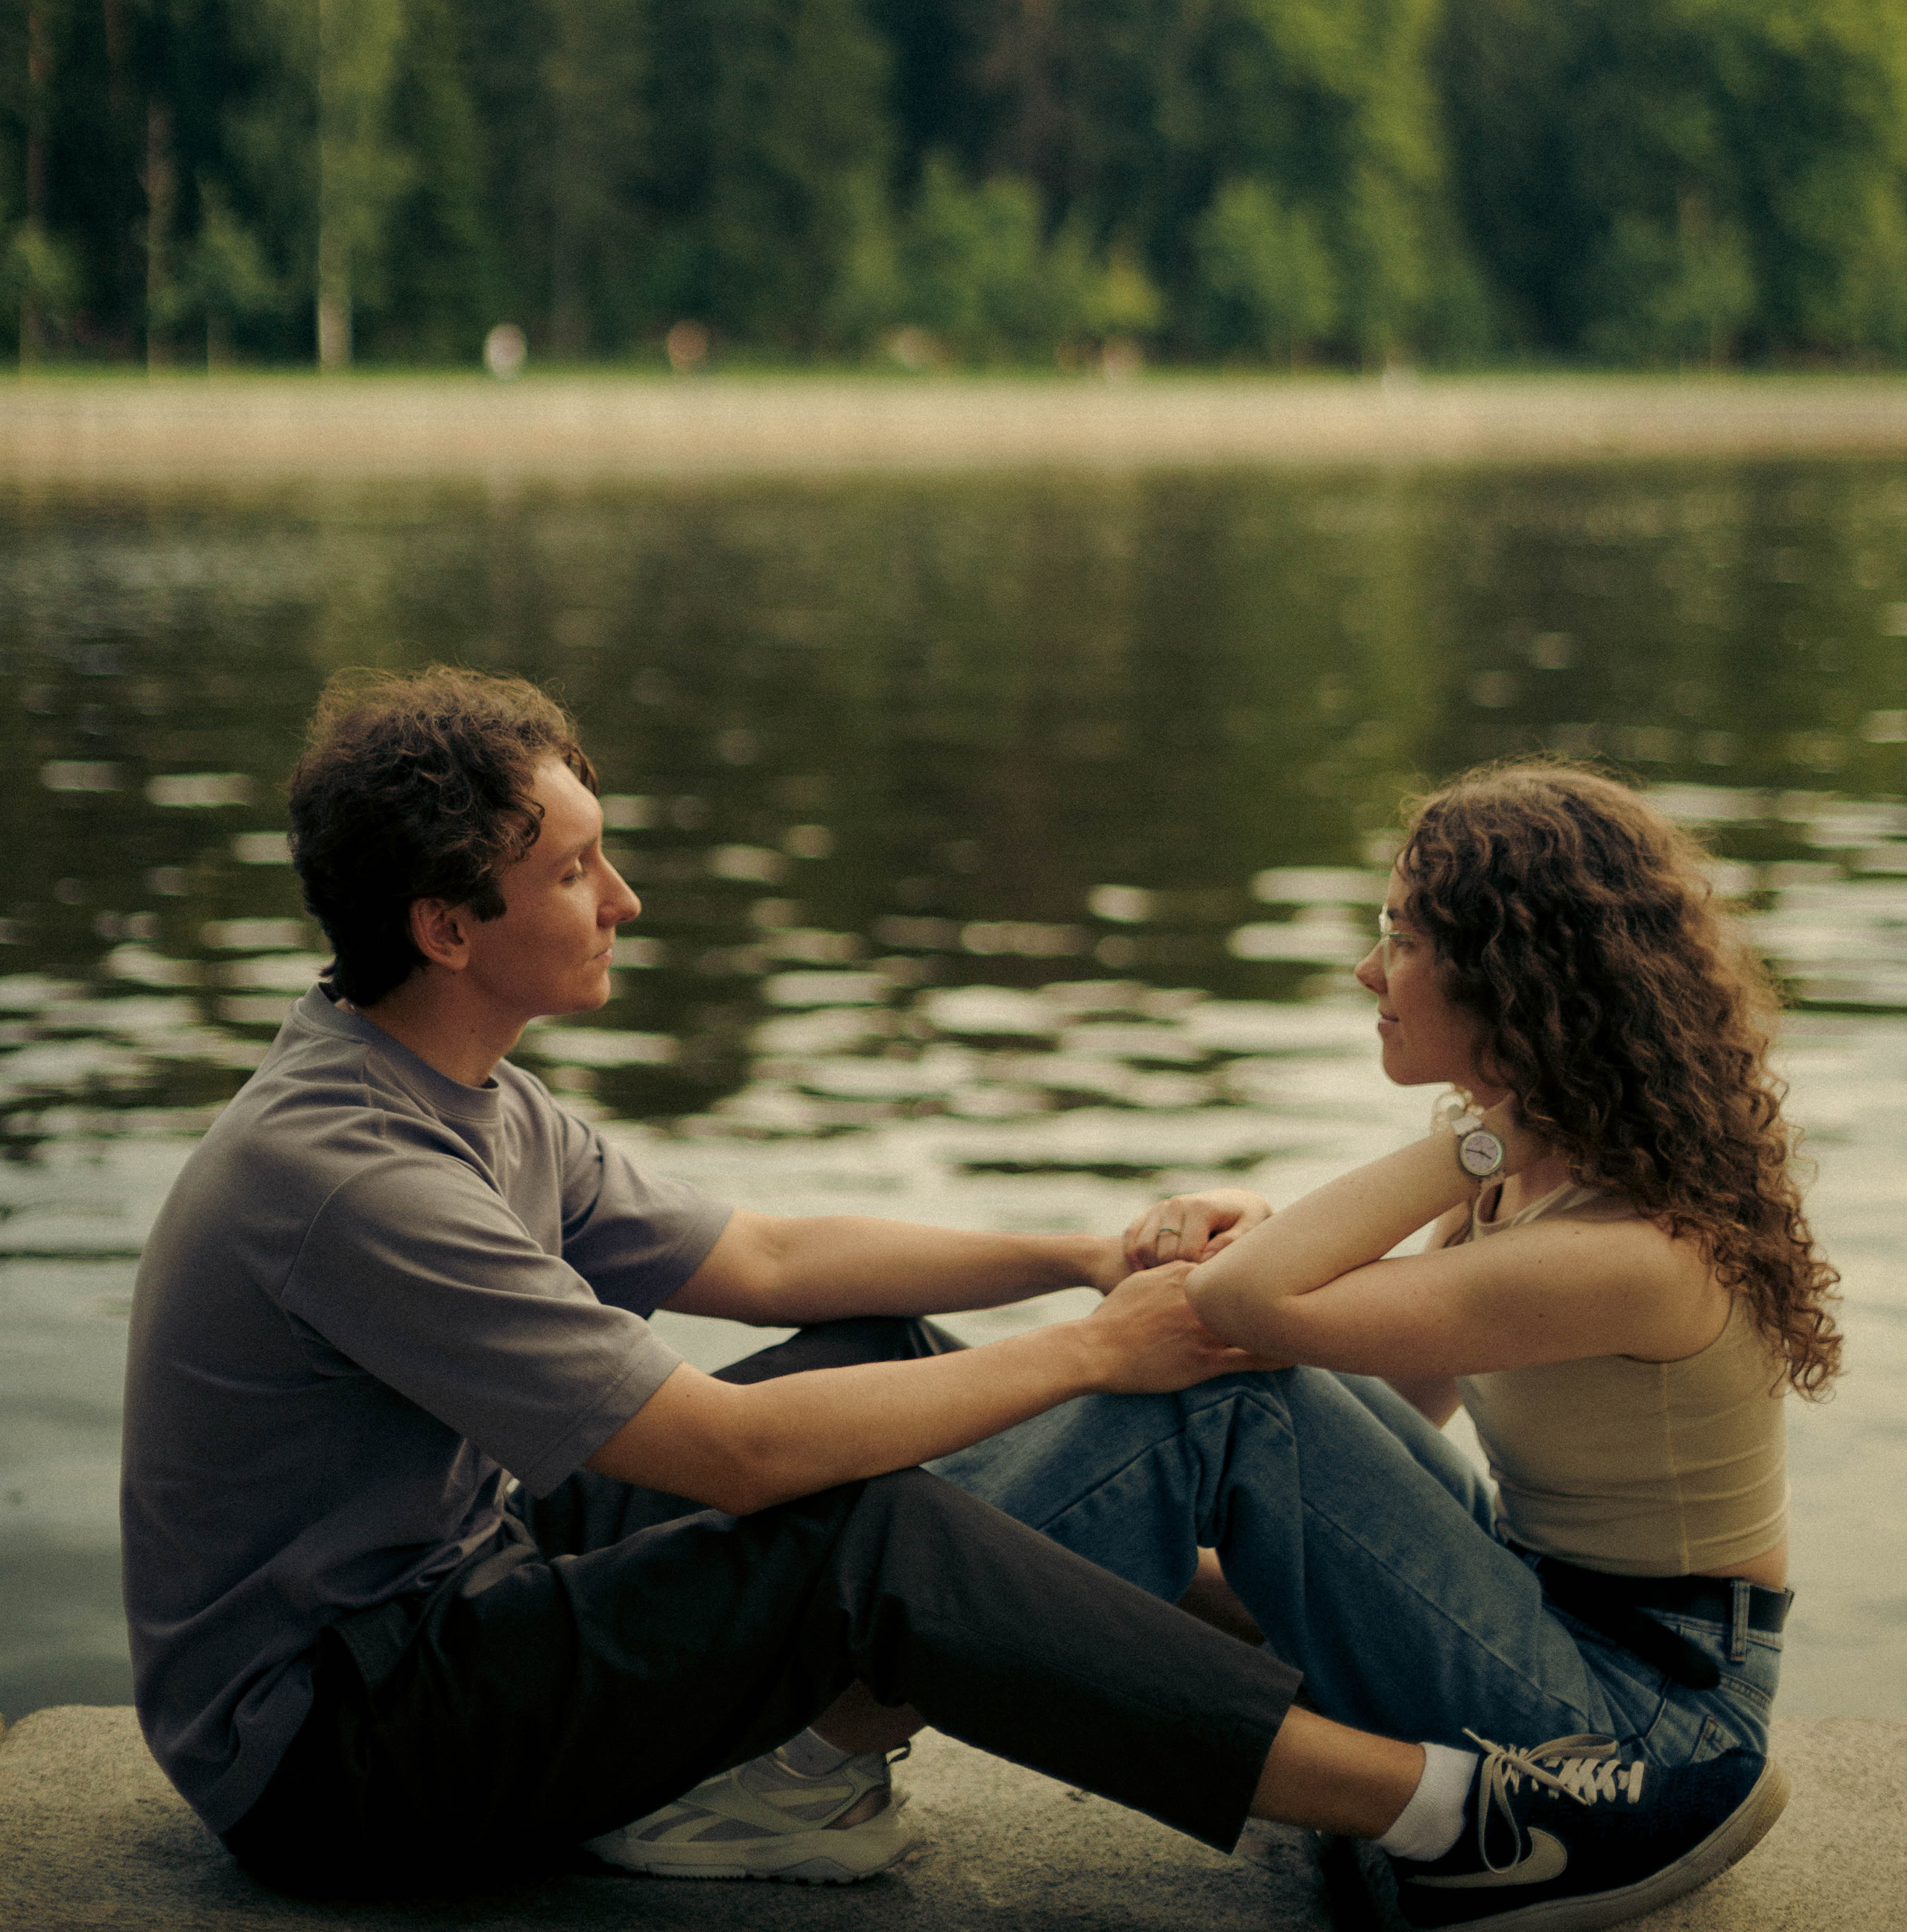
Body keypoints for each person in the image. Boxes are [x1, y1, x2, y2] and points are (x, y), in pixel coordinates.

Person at [120, 687, 1782, 1932]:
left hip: (449, 1598)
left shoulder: (458, 1095)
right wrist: (1102, 1347)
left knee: (880, 1360)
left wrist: (1078, 1257)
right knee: (868, 1539)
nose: (623, 898)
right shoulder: (356, 1176)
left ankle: (801, 1738)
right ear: (447, 925)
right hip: (342, 1747)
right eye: (577, 868)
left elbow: (764, 1261)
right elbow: (724, 1451)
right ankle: (1445, 1813)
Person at [926, 761, 1826, 1922]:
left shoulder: (1631, 1249)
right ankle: (895, 1581)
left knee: (1221, 1398)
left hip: (1647, 1718)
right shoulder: (1534, 1192)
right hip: (1548, 1610)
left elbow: (1245, 1309)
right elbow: (1374, 1390)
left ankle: (857, 1625)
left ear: (1513, 976)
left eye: (1399, 938)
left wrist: (1479, 1135)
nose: (1368, 971)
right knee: (1214, 1409)